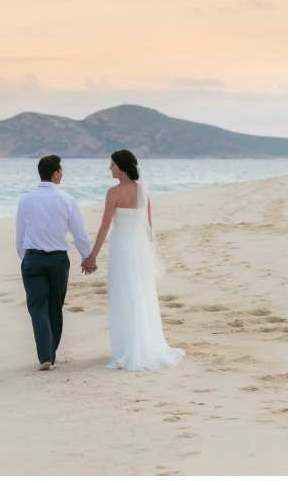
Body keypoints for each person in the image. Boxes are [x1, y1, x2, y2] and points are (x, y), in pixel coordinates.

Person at [83, 150, 184, 371]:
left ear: (122, 167)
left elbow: (104, 226)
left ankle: (127, 348)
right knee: (140, 294)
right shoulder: (142, 192)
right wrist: (147, 254)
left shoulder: (113, 192)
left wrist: (92, 256)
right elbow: (148, 228)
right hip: (138, 249)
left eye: (112, 165)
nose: (109, 168)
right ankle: (145, 345)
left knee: (123, 294)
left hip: (121, 248)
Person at [16, 155, 92, 371]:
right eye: (61, 170)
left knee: (37, 307)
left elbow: (20, 236)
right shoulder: (67, 200)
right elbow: (79, 234)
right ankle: (51, 353)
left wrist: (25, 259)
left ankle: (45, 356)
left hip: (33, 258)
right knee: (54, 307)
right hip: (58, 260)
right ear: (55, 173)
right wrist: (86, 256)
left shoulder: (26, 200)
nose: (63, 173)